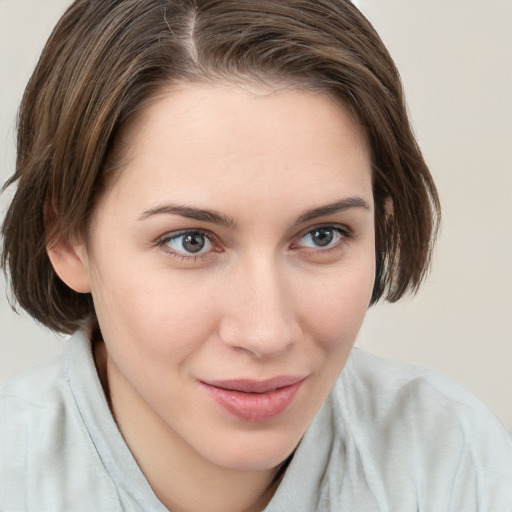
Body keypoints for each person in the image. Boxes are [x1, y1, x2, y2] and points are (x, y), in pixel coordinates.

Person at [1, 0, 511, 510]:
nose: (266, 333)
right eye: (191, 241)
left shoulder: (453, 459)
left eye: (323, 236)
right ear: (68, 238)